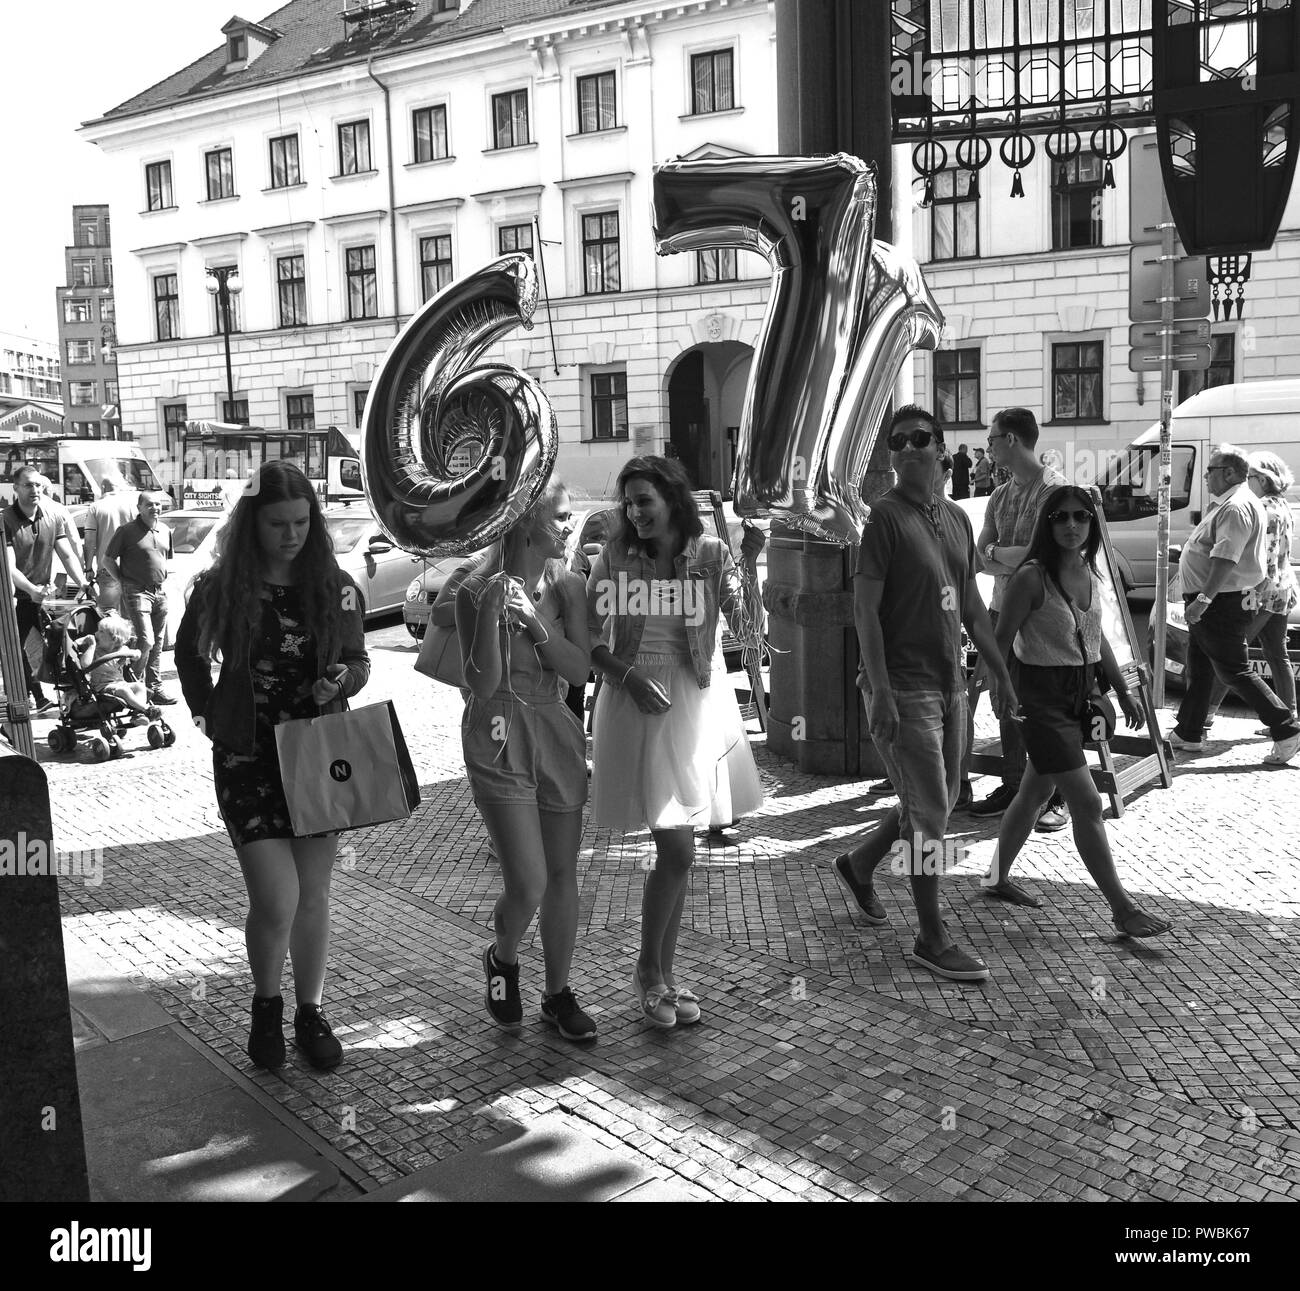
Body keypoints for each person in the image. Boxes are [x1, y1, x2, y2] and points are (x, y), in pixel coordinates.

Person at [174, 461, 370, 1070]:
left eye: (301, 522)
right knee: (277, 896)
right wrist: (210, 716)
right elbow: (187, 655)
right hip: (248, 756)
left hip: (315, 754)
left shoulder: (334, 584)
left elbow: (360, 661)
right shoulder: (223, 585)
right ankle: (267, 1007)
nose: (291, 534)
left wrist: (341, 677)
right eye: (278, 523)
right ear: (251, 523)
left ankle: (310, 1013)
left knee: (314, 894)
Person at [831, 406, 1018, 983]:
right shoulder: (884, 519)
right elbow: (864, 609)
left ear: (941, 449)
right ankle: (931, 936)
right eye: (897, 441)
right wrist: (879, 689)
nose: (909, 447)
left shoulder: (958, 519)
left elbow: (970, 604)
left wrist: (1001, 673)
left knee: (941, 795)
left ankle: (860, 865)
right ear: (890, 456)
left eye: (920, 438)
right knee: (933, 814)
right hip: (903, 688)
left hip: (949, 684)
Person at [587, 455, 764, 1027]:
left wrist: (752, 563)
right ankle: (650, 973)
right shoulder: (616, 555)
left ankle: (658, 975)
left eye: (646, 501)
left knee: (677, 853)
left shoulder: (709, 552)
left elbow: (745, 628)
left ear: (672, 500)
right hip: (636, 700)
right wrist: (627, 676)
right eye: (629, 502)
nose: (635, 512)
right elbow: (588, 637)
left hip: (693, 701)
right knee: (679, 850)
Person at [983, 485, 1171, 936]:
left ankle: (996, 877)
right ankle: (1123, 908)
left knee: (1034, 793)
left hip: (1079, 693)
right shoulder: (1031, 577)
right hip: (1040, 697)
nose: (1071, 526)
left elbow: (1098, 636)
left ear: (1092, 524)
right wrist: (1003, 694)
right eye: (1061, 518)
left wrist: (1124, 690)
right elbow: (1000, 641)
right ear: (1047, 525)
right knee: (1086, 801)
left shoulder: (1089, 572)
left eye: (1080, 517)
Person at [455, 482, 597, 1041]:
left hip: (554, 728)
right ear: (523, 523)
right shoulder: (472, 587)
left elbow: (581, 671)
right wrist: (492, 611)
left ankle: (558, 994)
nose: (569, 527)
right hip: (496, 732)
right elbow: (482, 681)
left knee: (563, 875)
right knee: (529, 879)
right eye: (560, 518)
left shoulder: (568, 586)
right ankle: (503, 955)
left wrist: (536, 626)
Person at [1167, 445, 1300, 764]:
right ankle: (1189, 731)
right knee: (1200, 666)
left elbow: (1225, 558)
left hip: (1221, 602)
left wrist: (1203, 599)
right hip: (1222, 599)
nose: (1205, 476)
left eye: (1210, 470)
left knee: (1234, 671)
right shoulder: (1233, 503)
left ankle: (1287, 729)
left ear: (1228, 473)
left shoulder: (1236, 507)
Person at [969, 408, 1068, 831]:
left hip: (1043, 614)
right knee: (1004, 699)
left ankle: (1057, 793)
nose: (988, 447)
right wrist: (1005, 558)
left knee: (1045, 704)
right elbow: (980, 555)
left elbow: (1040, 556)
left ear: (1010, 440)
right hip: (1001, 607)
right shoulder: (999, 495)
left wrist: (1000, 557)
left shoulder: (1055, 491)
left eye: (992, 439)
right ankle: (1014, 782)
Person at [1204, 451, 1298, 728]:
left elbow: (1258, 556)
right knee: (1276, 654)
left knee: (1231, 655)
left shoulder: (1262, 508)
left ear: (1264, 479)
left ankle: (1206, 714)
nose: (1246, 482)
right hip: (1283, 588)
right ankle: (1289, 714)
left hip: (1262, 590)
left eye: (1251, 477)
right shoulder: (1283, 505)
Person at [3, 466, 87, 715]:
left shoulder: (52, 517)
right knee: (11, 652)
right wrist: (30, 589)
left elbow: (67, 553)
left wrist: (82, 581)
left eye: (38, 485)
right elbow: (8, 566)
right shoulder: (4, 520)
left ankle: (74, 697)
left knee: (61, 643)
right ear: (16, 488)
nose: (35, 490)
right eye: (28, 485)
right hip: (10, 599)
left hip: (39, 596)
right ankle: (23, 699)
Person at [104, 491, 176, 706]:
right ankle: (135, 686)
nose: (155, 508)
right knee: (145, 640)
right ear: (139, 508)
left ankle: (154, 688)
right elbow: (108, 559)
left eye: (157, 504)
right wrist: (124, 582)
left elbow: (164, 559)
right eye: (149, 504)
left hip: (159, 592)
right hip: (136, 591)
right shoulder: (126, 531)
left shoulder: (164, 530)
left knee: (158, 643)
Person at [83, 474, 139, 610]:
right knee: (130, 618)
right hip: (131, 569)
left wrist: (88, 567)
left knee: (108, 614)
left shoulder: (95, 507)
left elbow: (90, 540)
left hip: (107, 569)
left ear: (102, 488)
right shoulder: (132, 506)